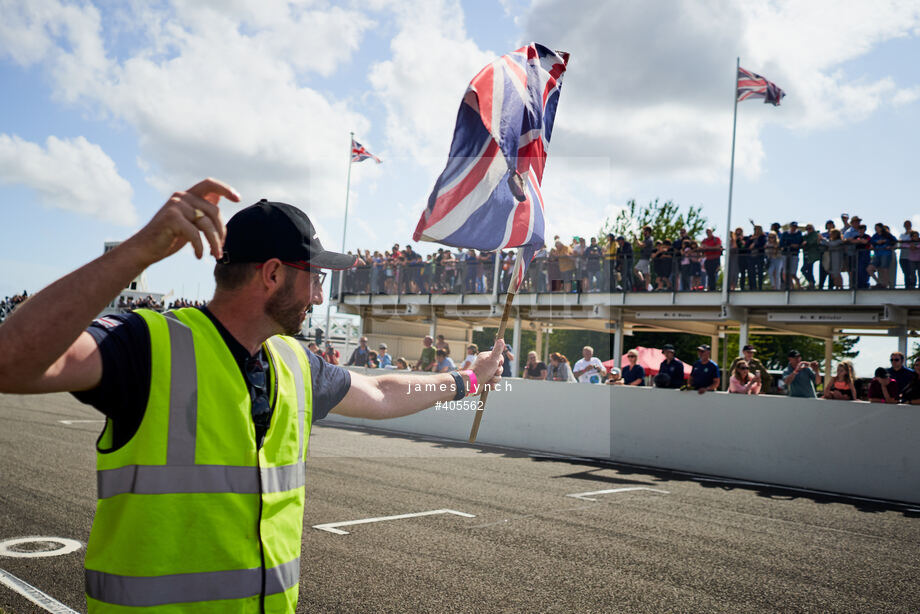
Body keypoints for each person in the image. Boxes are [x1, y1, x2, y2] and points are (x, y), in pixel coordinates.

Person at [0, 180, 505, 613]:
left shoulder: (293, 361)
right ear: (272, 274)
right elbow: (12, 361)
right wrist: (135, 253)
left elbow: (379, 392)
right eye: (316, 277)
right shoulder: (146, 346)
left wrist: (467, 380)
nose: (319, 297)